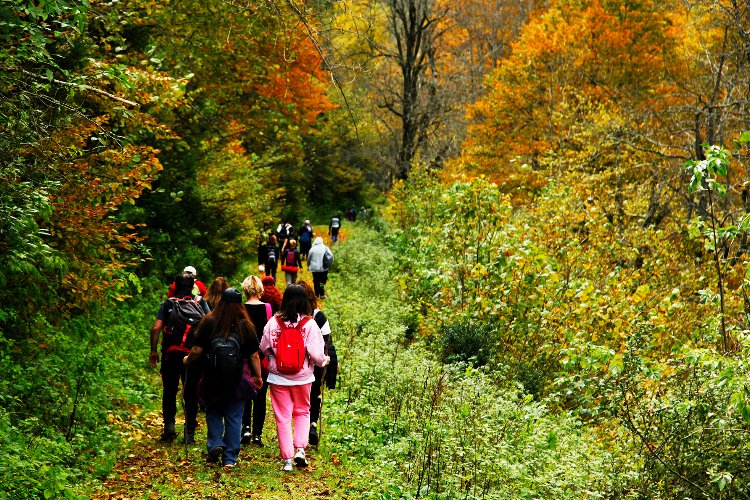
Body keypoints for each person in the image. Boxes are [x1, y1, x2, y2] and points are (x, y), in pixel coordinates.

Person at [183, 288, 263, 468]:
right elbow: (254, 355)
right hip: (238, 378)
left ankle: (215, 443)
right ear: (239, 305)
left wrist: (187, 359)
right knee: (234, 417)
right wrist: (258, 376)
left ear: (220, 302)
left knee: (213, 412)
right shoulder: (245, 325)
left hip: (212, 376)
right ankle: (230, 458)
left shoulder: (209, 321)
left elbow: (198, 350)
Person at [260, 284, 329, 471]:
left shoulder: (273, 323)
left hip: (278, 378)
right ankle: (300, 449)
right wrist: (324, 361)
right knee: (302, 412)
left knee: (282, 417)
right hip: (303, 378)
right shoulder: (310, 324)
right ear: (305, 301)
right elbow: (316, 354)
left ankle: (287, 461)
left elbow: (264, 347)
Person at [149, 274, 209, 443]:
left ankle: (169, 429)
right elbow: (209, 323)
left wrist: (154, 351)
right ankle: (189, 433)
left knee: (169, 390)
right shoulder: (200, 303)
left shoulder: (168, 304)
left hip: (171, 355)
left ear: (175, 286)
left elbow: (156, 328)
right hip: (193, 355)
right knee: (191, 392)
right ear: (192, 287)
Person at [297, 280, 331, 446]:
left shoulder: (289, 315)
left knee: (299, 400)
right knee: (314, 394)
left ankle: (299, 433)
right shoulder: (319, 316)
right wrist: (330, 368)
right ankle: (312, 424)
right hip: (316, 363)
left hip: (296, 364)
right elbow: (328, 343)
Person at [240, 275, 273, 447]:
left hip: (243, 357)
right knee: (260, 395)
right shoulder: (267, 308)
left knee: (245, 393)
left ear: (245, 289)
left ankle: (245, 427)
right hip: (261, 356)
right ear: (259, 289)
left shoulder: (240, 308)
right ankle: (257, 435)